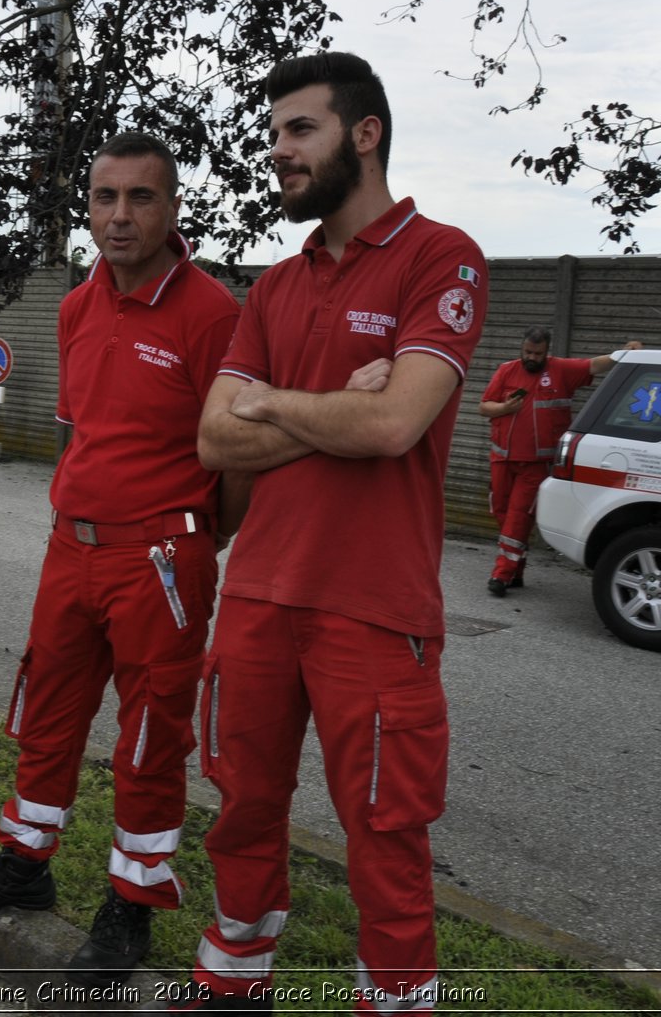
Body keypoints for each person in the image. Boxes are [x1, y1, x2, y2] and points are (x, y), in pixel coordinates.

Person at [186, 52, 488, 1013]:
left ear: (365, 133)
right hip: (260, 593)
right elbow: (213, 436)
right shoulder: (276, 285)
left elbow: (394, 424)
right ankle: (233, 984)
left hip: (373, 606)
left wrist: (272, 406)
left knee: (385, 832)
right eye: (275, 133)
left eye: (298, 130)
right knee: (241, 808)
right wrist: (315, 405)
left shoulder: (442, 257)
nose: (278, 151)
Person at [0, 132, 244, 986]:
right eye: (105, 198)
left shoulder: (213, 313)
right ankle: (24, 863)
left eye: (141, 197)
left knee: (149, 731)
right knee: (47, 705)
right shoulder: (77, 305)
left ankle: (132, 903)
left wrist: (193, 539)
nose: (119, 215)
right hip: (73, 547)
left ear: (173, 208)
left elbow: (237, 457)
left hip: (162, 559)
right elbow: (85, 432)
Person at [478, 328, 642, 596]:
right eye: (527, 352)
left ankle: (501, 574)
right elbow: (484, 406)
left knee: (518, 517)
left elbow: (594, 365)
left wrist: (624, 352)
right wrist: (503, 409)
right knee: (501, 513)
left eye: (537, 353)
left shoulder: (561, 370)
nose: (531, 357)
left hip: (536, 464)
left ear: (547, 351)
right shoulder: (506, 370)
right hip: (502, 459)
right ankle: (515, 569)